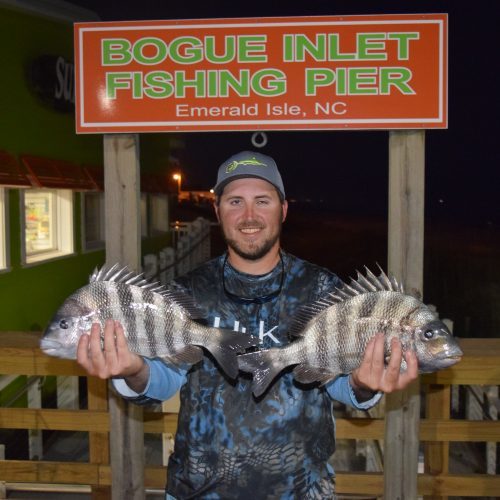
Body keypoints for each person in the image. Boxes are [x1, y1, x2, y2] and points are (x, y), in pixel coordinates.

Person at [77, 150, 418, 499]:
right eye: (235, 201)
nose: (249, 216)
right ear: (217, 210)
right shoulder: (187, 291)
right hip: (198, 490)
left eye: (263, 201)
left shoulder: (322, 289)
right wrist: (133, 370)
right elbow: (164, 382)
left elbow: (339, 385)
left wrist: (363, 384)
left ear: (283, 210)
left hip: (301, 489)